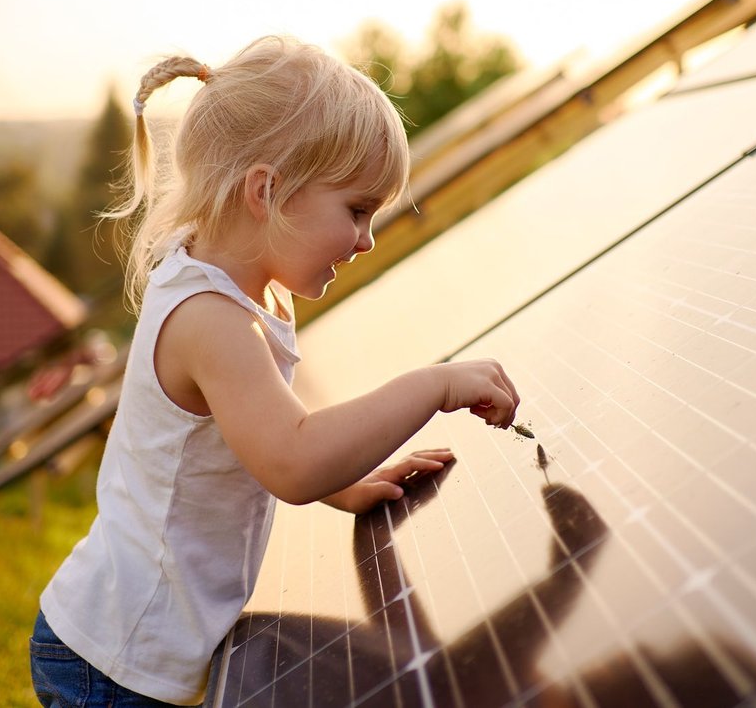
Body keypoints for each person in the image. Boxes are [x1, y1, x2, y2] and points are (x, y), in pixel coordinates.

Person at [29, 35, 521, 707]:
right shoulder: (211, 319)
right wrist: (431, 384)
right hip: (116, 661)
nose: (366, 238)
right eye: (356, 209)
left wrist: (345, 483)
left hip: (131, 647)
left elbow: (257, 437)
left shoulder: (246, 289)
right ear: (268, 191)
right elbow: (291, 460)